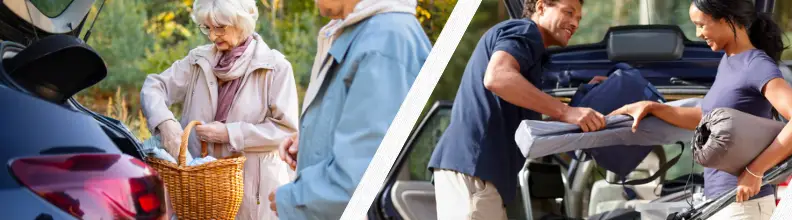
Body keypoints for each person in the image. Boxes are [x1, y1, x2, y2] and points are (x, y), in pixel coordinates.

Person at [609, 0, 792, 219]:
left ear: (727, 19)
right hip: (718, 202)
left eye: (701, 24)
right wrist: (653, 108)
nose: (698, 33)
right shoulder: (728, 62)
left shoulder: (755, 64)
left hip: (744, 206)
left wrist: (754, 170)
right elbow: (705, 118)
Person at [268, 0, 432, 218]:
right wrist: (311, 140)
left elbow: (362, 174)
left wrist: (292, 199)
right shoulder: (364, 32)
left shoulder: (386, 41)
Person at [426, 0, 590, 218]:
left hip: (475, 172)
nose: (574, 23)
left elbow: (530, 128)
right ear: (541, 7)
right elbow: (497, 77)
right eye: (569, 13)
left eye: (578, 18)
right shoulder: (525, 30)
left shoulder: (531, 55)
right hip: (474, 170)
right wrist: (567, 112)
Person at [139, 0, 297, 219]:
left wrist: (229, 133)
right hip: (198, 197)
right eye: (207, 28)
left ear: (241, 22)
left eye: (220, 27)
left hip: (252, 197)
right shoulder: (198, 60)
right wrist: (165, 124)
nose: (212, 36)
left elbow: (286, 130)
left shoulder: (276, 68)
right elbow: (154, 86)